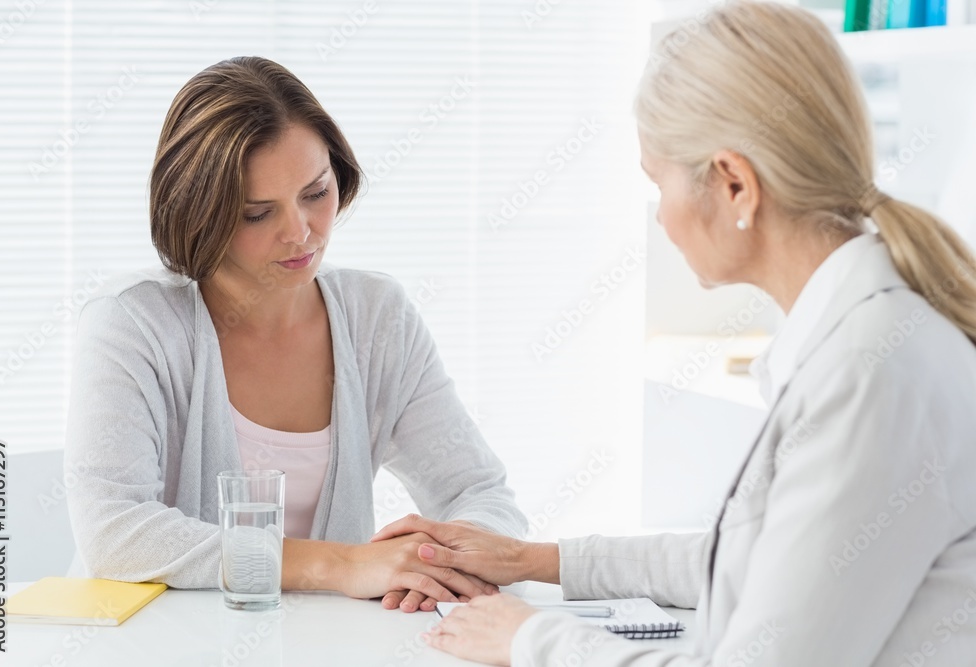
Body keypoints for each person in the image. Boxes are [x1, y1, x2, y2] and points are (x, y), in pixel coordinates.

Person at [371, 2, 976, 663]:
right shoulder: (867, 340)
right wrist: (533, 558)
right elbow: (758, 555)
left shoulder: (869, 373)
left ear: (734, 184)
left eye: (658, 183)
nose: (660, 218)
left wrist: (531, 637)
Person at [63, 56, 526, 614]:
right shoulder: (132, 322)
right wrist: (339, 564)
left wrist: (436, 563)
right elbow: (114, 531)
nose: (300, 232)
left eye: (316, 192)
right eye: (259, 213)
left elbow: (479, 493)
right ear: (199, 214)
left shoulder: (376, 316)